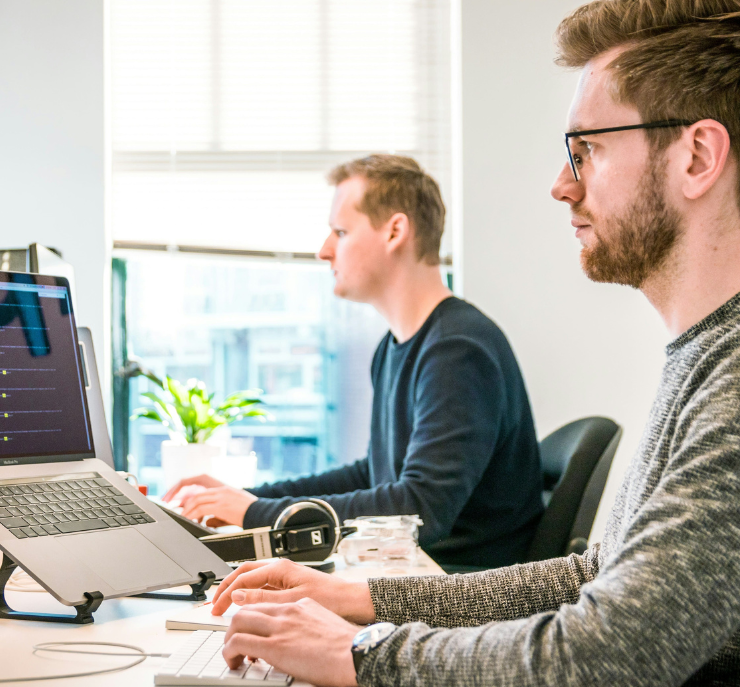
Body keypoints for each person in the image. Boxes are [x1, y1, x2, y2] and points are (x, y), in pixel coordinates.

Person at [202, 1, 740, 685]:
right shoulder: (725, 350)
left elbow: (608, 656)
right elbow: (595, 576)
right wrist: (362, 599)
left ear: (697, 156)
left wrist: (362, 655)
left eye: (587, 149)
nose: (561, 185)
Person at [164, 155, 544, 570]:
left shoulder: (458, 351)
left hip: (459, 585)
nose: (324, 251)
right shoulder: (396, 347)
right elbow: (374, 475)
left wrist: (256, 513)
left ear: (395, 231)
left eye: (341, 232)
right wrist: (248, 498)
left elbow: (420, 510)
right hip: (415, 572)